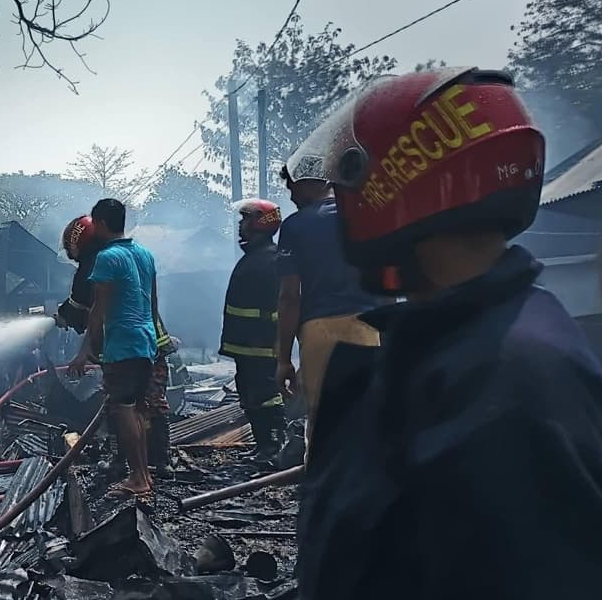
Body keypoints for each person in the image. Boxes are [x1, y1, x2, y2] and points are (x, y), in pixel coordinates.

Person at [289, 67, 602, 599]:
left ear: (398, 184)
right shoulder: (457, 343)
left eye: (350, 184)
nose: (342, 204)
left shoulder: (511, 378)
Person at [274, 152, 380, 450]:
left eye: (292, 185)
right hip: (375, 326)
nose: (291, 194)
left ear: (310, 181)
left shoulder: (295, 226)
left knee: (323, 423)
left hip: (322, 329)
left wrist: (283, 359)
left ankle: (325, 488)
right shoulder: (370, 212)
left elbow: (289, 297)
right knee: (371, 415)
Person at [58, 214, 177, 479]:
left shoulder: (94, 266)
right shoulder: (134, 255)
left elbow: (89, 313)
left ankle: (122, 462)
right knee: (154, 402)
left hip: (124, 348)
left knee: (120, 405)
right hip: (153, 342)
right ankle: (162, 461)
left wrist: (67, 324)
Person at [221, 198, 287, 463]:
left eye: (245, 219)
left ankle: (274, 446)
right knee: (249, 395)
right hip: (245, 345)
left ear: (260, 223)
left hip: (261, 345)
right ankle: (262, 446)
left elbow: (281, 305)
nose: (240, 225)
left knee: (265, 396)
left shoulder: (271, 260)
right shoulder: (254, 258)